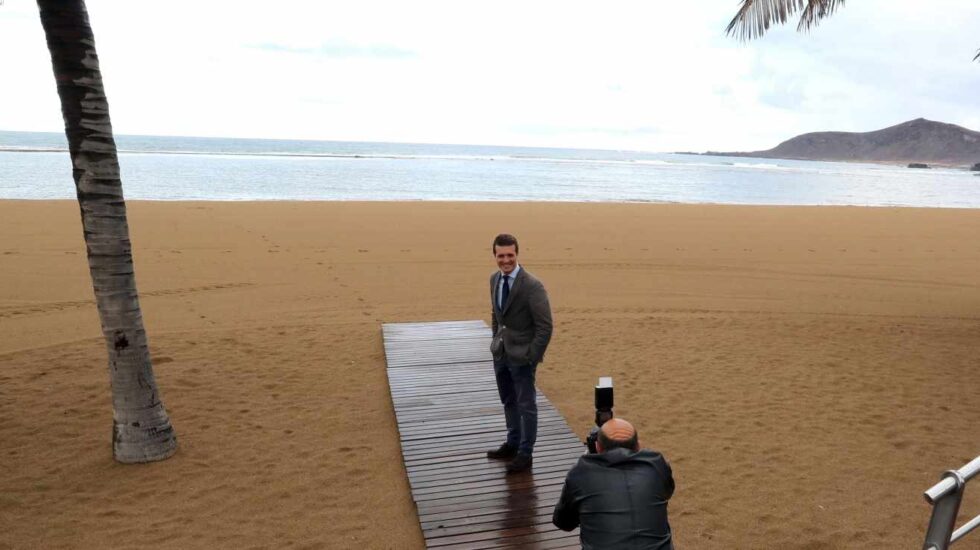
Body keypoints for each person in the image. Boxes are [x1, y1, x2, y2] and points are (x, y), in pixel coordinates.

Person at [486, 233, 553, 474]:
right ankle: (512, 442)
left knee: (526, 405)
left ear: (517, 254)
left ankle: (526, 453)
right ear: (494, 255)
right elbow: (496, 314)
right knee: (508, 400)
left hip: (523, 356)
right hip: (502, 353)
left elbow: (545, 326)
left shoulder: (532, 285)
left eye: (510, 255)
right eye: (501, 255)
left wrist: (531, 356)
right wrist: (496, 339)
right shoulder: (494, 279)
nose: (506, 260)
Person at [553, 418, 675, 550]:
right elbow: (667, 492)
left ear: (598, 447)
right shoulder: (656, 464)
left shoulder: (580, 472)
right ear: (639, 446)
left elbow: (563, 523)